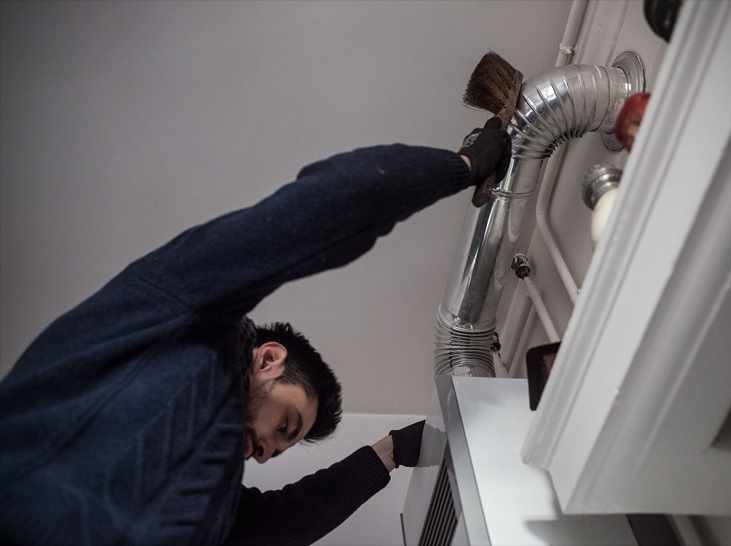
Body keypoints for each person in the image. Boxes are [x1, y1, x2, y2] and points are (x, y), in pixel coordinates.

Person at [0, 118, 512, 546]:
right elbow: (319, 211)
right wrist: (460, 167)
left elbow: (282, 523)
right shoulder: (184, 316)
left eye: (271, 453)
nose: (259, 450)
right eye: (284, 426)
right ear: (268, 358)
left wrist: (391, 452)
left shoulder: (215, 500)